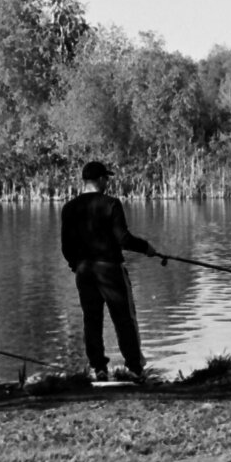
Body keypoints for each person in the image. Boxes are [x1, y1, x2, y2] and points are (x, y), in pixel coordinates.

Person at [61, 160, 160, 381]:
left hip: (84, 271)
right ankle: (135, 368)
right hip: (110, 270)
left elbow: (66, 247)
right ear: (100, 180)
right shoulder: (111, 204)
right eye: (107, 178)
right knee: (124, 318)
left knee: (92, 320)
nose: (108, 182)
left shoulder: (69, 208)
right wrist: (146, 248)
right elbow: (123, 239)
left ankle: (99, 369)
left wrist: (76, 266)